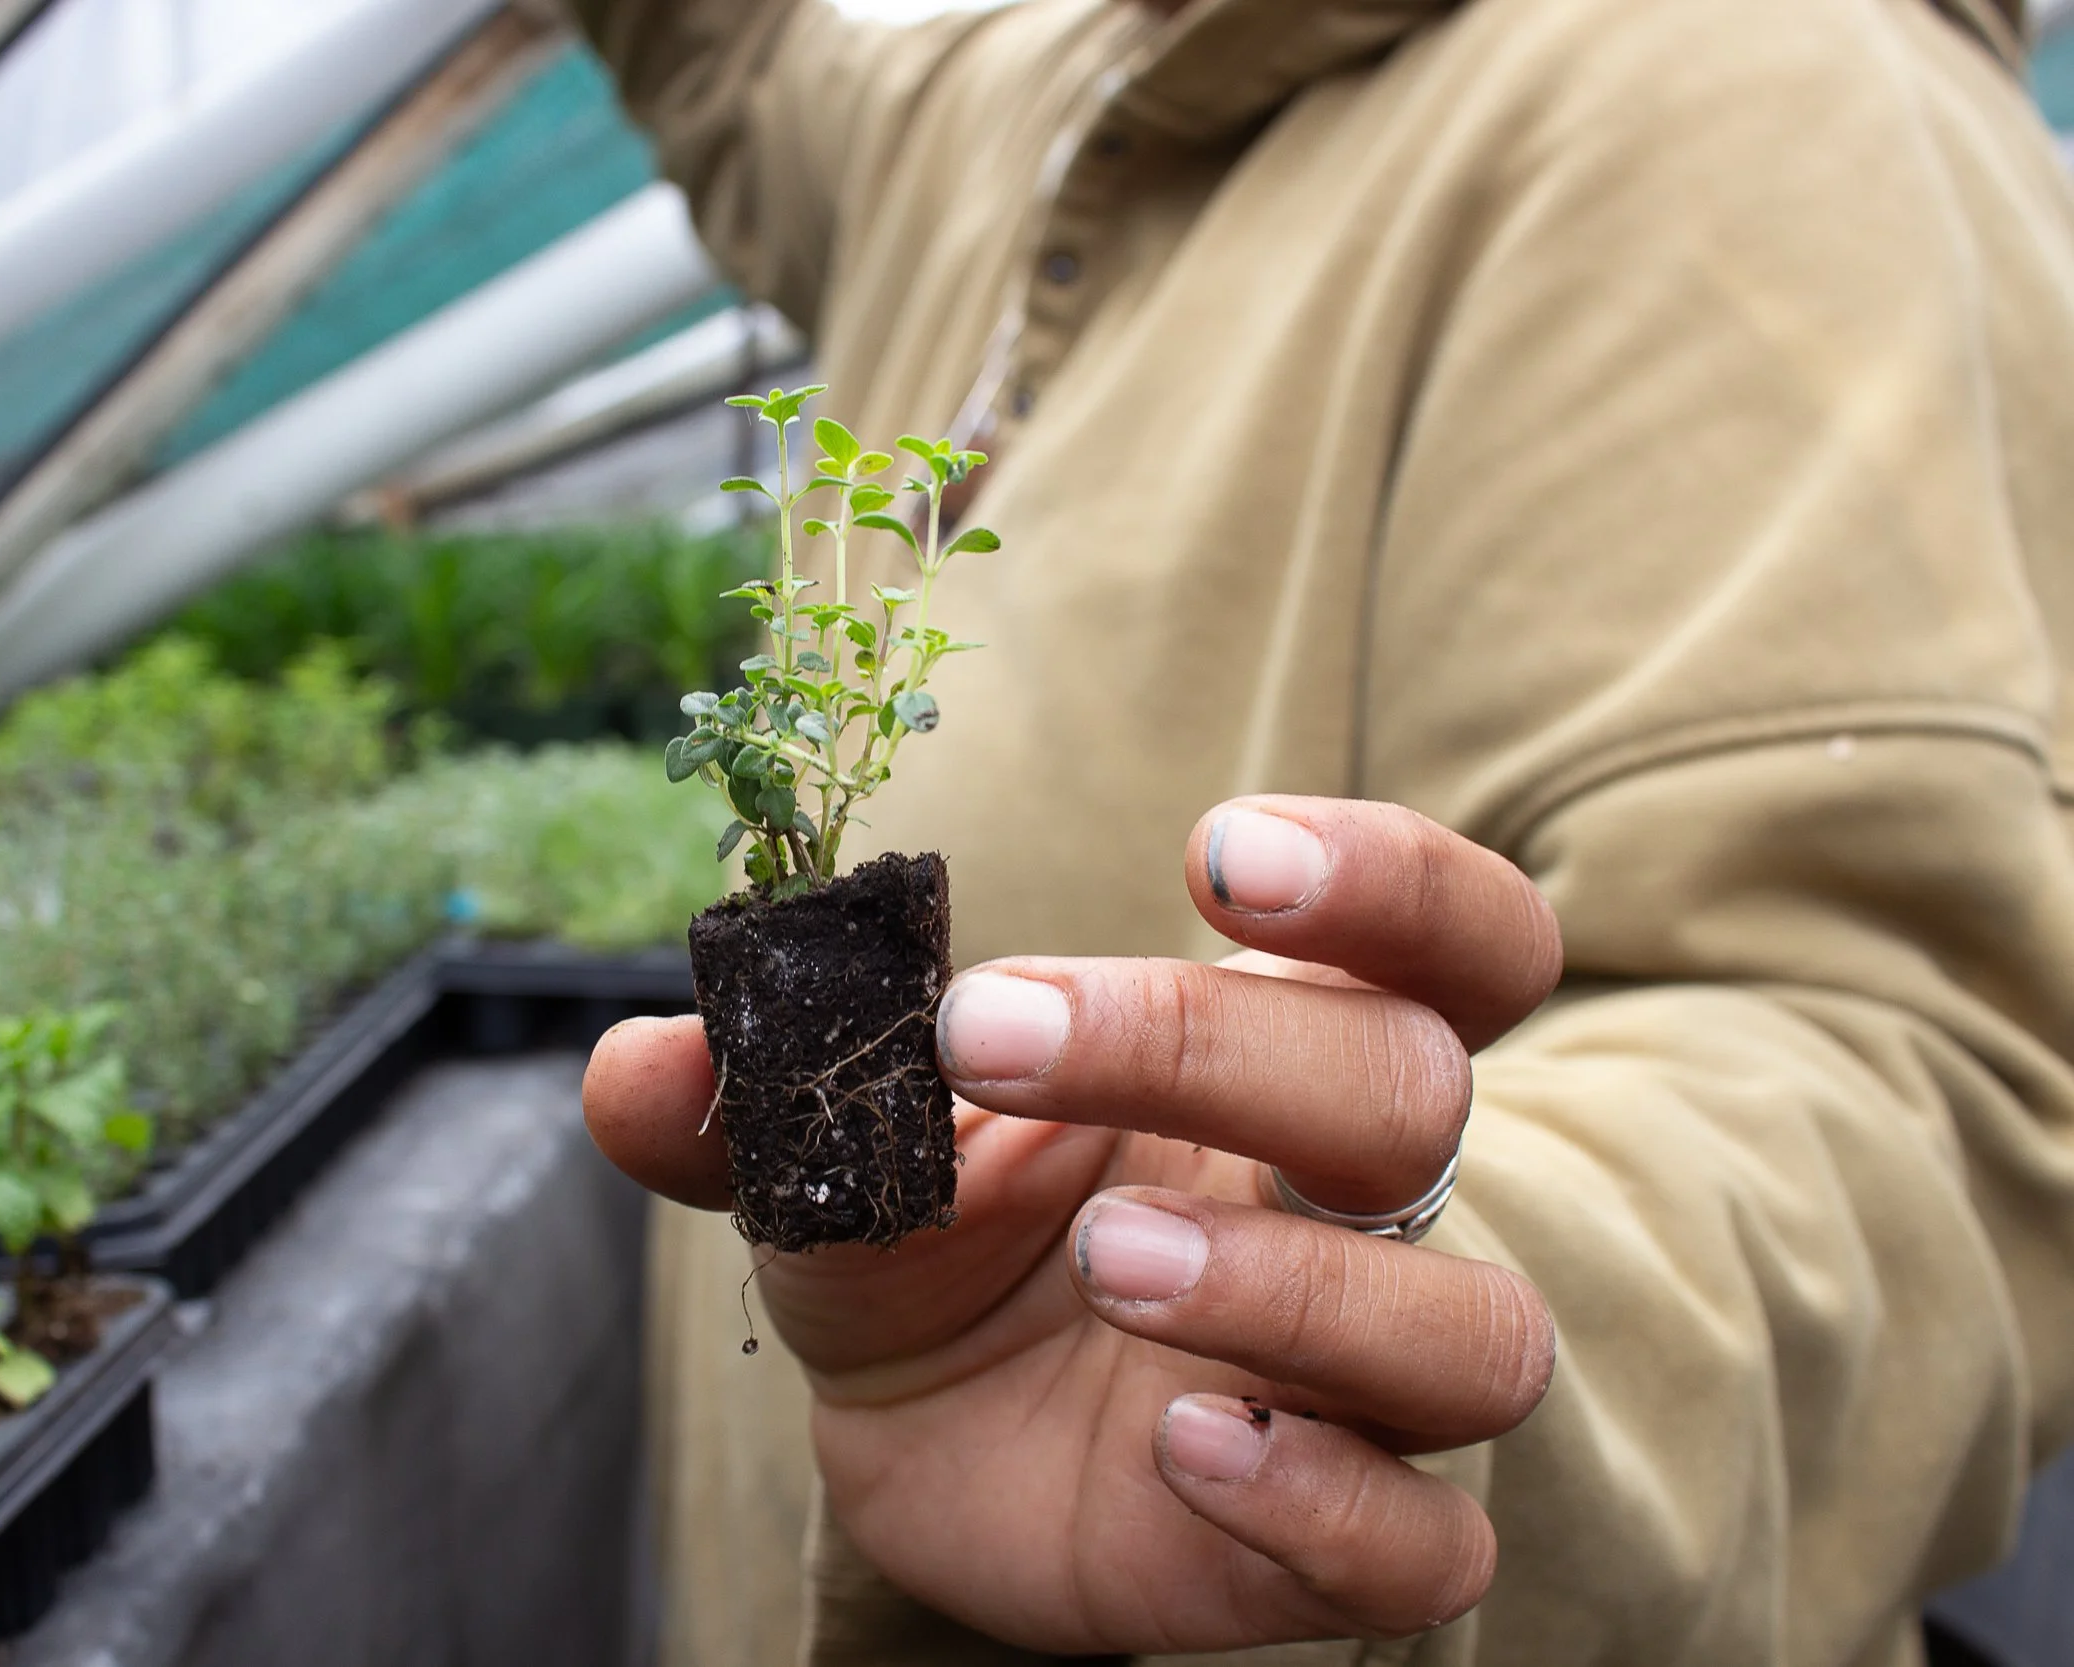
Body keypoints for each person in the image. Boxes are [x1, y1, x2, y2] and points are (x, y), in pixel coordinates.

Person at [568, 0, 2074, 1661]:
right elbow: (737, 56)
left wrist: (1354, 1336)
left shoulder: (1767, 94)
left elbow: (1917, 1106)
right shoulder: (1027, 94)